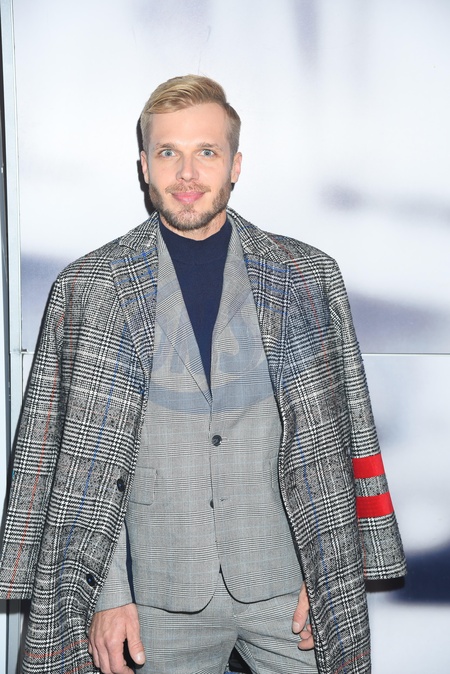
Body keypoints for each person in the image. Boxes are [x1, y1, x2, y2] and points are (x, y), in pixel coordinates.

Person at [0, 74, 406, 674]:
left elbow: (347, 438)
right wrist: (107, 597)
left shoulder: (308, 277)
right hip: (153, 604)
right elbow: (70, 462)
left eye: (207, 152)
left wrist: (329, 572)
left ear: (235, 165)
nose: (187, 174)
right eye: (169, 152)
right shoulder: (90, 287)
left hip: (289, 590)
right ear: (144, 165)